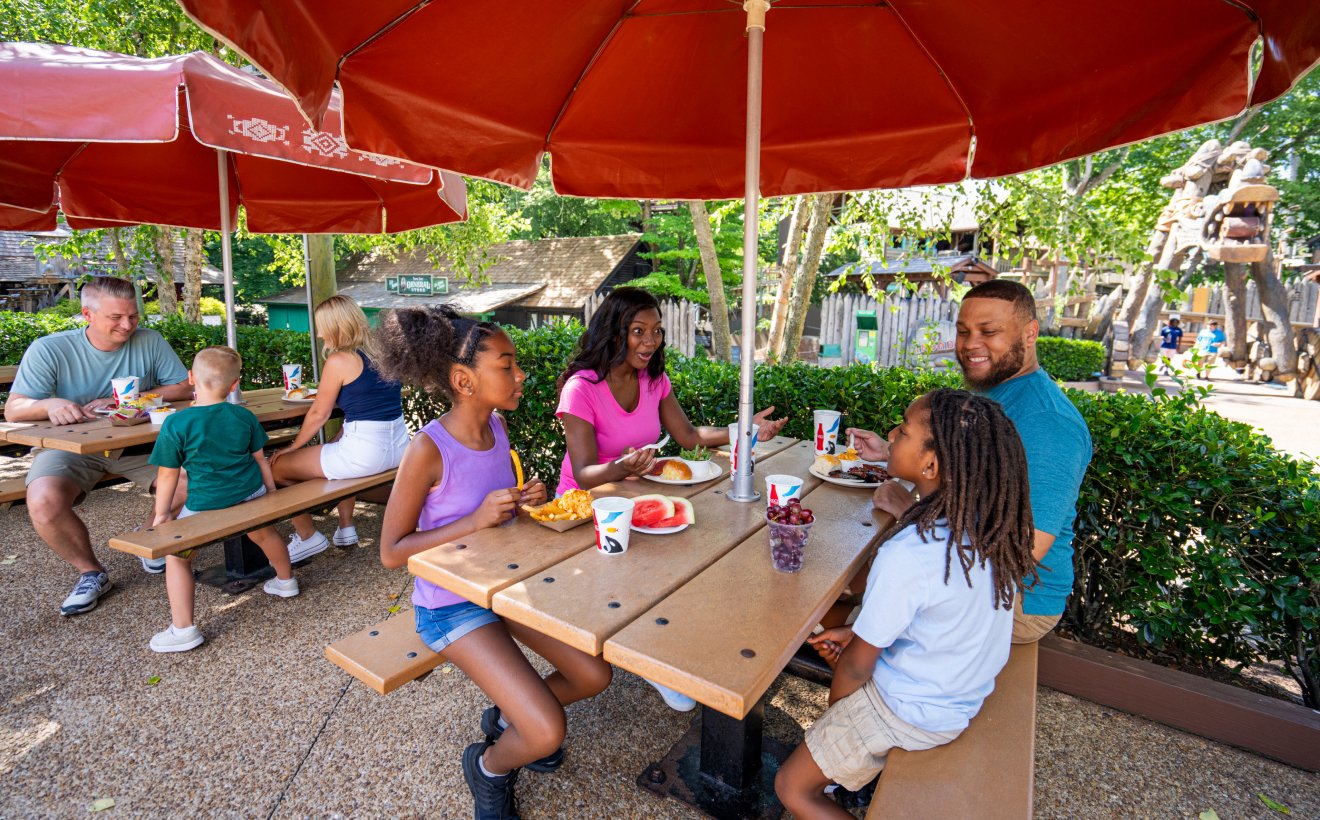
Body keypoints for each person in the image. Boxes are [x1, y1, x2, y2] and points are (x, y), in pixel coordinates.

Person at [374, 305, 612, 819]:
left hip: (505, 591)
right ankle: (489, 767)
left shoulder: (497, 427)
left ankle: (508, 719)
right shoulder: (428, 449)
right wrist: (476, 520)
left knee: (594, 676)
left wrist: (521, 500)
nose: (520, 374)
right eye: (506, 365)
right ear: (464, 380)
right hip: (449, 607)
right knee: (547, 730)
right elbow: (392, 552)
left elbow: (491, 508)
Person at [775, 389, 1036, 817]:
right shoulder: (986, 525)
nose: (892, 435)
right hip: (958, 688)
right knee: (843, 616)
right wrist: (861, 634)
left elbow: (857, 668)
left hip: (913, 712)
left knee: (791, 786)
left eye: (904, 430)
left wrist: (836, 721)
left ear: (930, 464)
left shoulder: (912, 553)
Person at [556, 286, 787, 711]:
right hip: (586, 509)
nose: (650, 342)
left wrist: (745, 429)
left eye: (657, 331)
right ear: (614, 332)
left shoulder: (654, 380)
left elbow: (689, 436)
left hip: (637, 497)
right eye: (638, 331)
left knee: (690, 552)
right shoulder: (581, 389)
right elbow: (586, 473)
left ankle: (666, 649)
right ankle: (654, 664)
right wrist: (622, 469)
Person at [848, 280, 1092, 644]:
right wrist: (889, 452)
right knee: (845, 577)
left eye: (989, 331)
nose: (970, 344)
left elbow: (1023, 551)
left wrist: (910, 511)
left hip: (1012, 599)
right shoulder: (996, 393)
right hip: (967, 570)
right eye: (963, 331)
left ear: (1030, 333)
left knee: (852, 604)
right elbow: (965, 468)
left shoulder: (1047, 422)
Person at [4, 276, 193, 615]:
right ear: (87, 314)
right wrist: (49, 405)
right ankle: (91, 572)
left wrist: (130, 399)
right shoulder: (50, 348)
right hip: (68, 448)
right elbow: (14, 409)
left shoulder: (149, 340)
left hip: (137, 444)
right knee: (44, 503)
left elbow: (183, 387)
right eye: (116, 318)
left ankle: (148, 536)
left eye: (133, 316)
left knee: (190, 482)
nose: (127, 325)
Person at [145, 347, 300, 653]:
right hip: (250, 493)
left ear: (191, 378)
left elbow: (167, 477)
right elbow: (260, 459)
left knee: (178, 556)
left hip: (206, 504)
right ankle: (286, 581)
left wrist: (162, 514)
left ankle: (183, 630)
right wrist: (270, 491)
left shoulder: (176, 424)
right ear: (234, 385)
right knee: (263, 532)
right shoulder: (243, 415)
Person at [270, 295, 408, 561]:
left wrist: (294, 446)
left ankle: (307, 536)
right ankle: (346, 527)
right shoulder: (384, 353)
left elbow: (319, 413)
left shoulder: (340, 360)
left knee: (275, 466)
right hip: (399, 448)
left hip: (365, 455)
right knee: (336, 441)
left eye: (322, 326)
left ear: (337, 326)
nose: (319, 334)